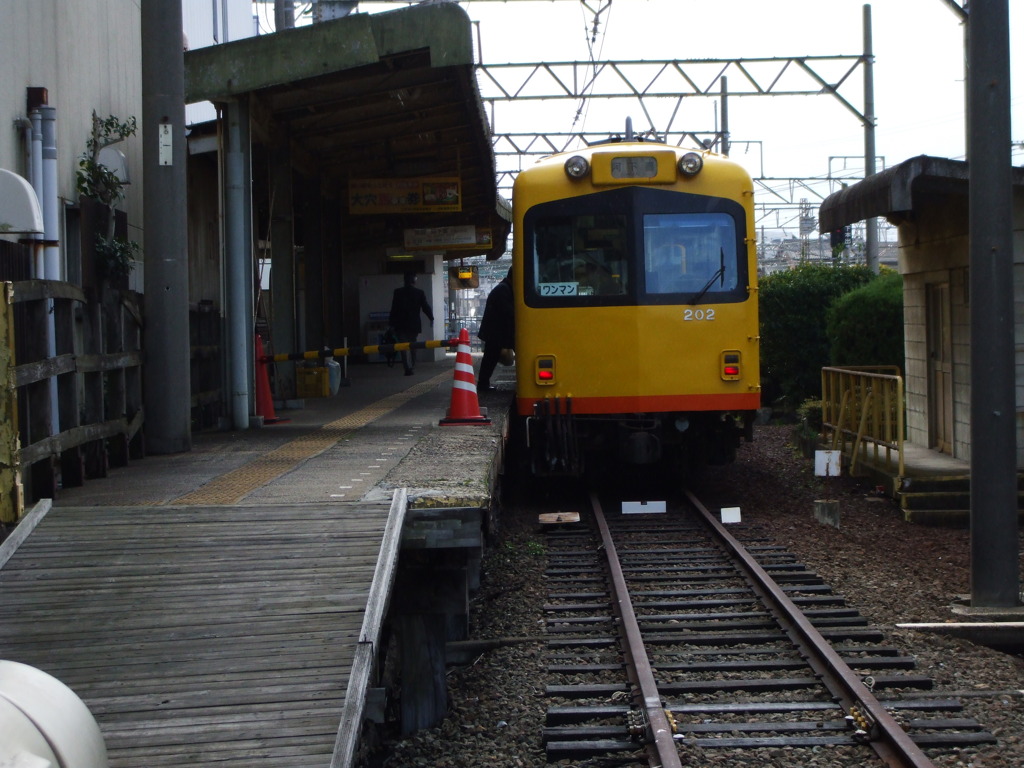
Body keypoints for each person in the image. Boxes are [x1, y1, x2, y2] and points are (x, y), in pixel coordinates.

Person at [389, 271, 434, 375]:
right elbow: (425, 307)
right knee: (413, 345)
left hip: (400, 324)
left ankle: (407, 367)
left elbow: (394, 309)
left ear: (404, 280)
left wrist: (391, 323)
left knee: (403, 346)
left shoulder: (398, 292)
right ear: (414, 280)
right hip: (413, 324)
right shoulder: (419, 293)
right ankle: (412, 365)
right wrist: (431, 317)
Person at [476, 268, 514, 391]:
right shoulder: (503, 289)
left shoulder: (503, 288)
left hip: (496, 331)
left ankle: (483, 384)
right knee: (490, 358)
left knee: (490, 358)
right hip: (496, 332)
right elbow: (508, 311)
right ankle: (483, 385)